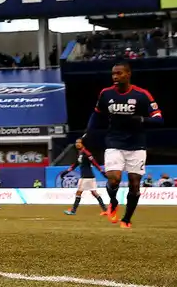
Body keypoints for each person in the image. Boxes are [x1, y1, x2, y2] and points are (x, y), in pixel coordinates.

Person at [84, 60, 163, 228]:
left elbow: (159, 119)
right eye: (113, 74)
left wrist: (142, 119)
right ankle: (113, 201)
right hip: (114, 141)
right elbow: (96, 115)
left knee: (134, 185)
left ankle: (126, 219)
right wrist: (87, 133)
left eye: (119, 73)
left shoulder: (142, 95)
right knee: (114, 179)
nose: (115, 77)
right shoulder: (106, 94)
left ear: (128, 74)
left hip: (137, 144)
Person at [62, 138, 108, 216]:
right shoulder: (80, 153)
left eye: (79, 142)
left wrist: (101, 171)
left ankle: (73, 211)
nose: (77, 144)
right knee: (94, 193)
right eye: (76, 142)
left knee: (79, 192)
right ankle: (105, 209)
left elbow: (94, 163)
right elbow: (76, 164)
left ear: (83, 144)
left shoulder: (86, 153)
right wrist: (67, 171)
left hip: (86, 176)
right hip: (89, 176)